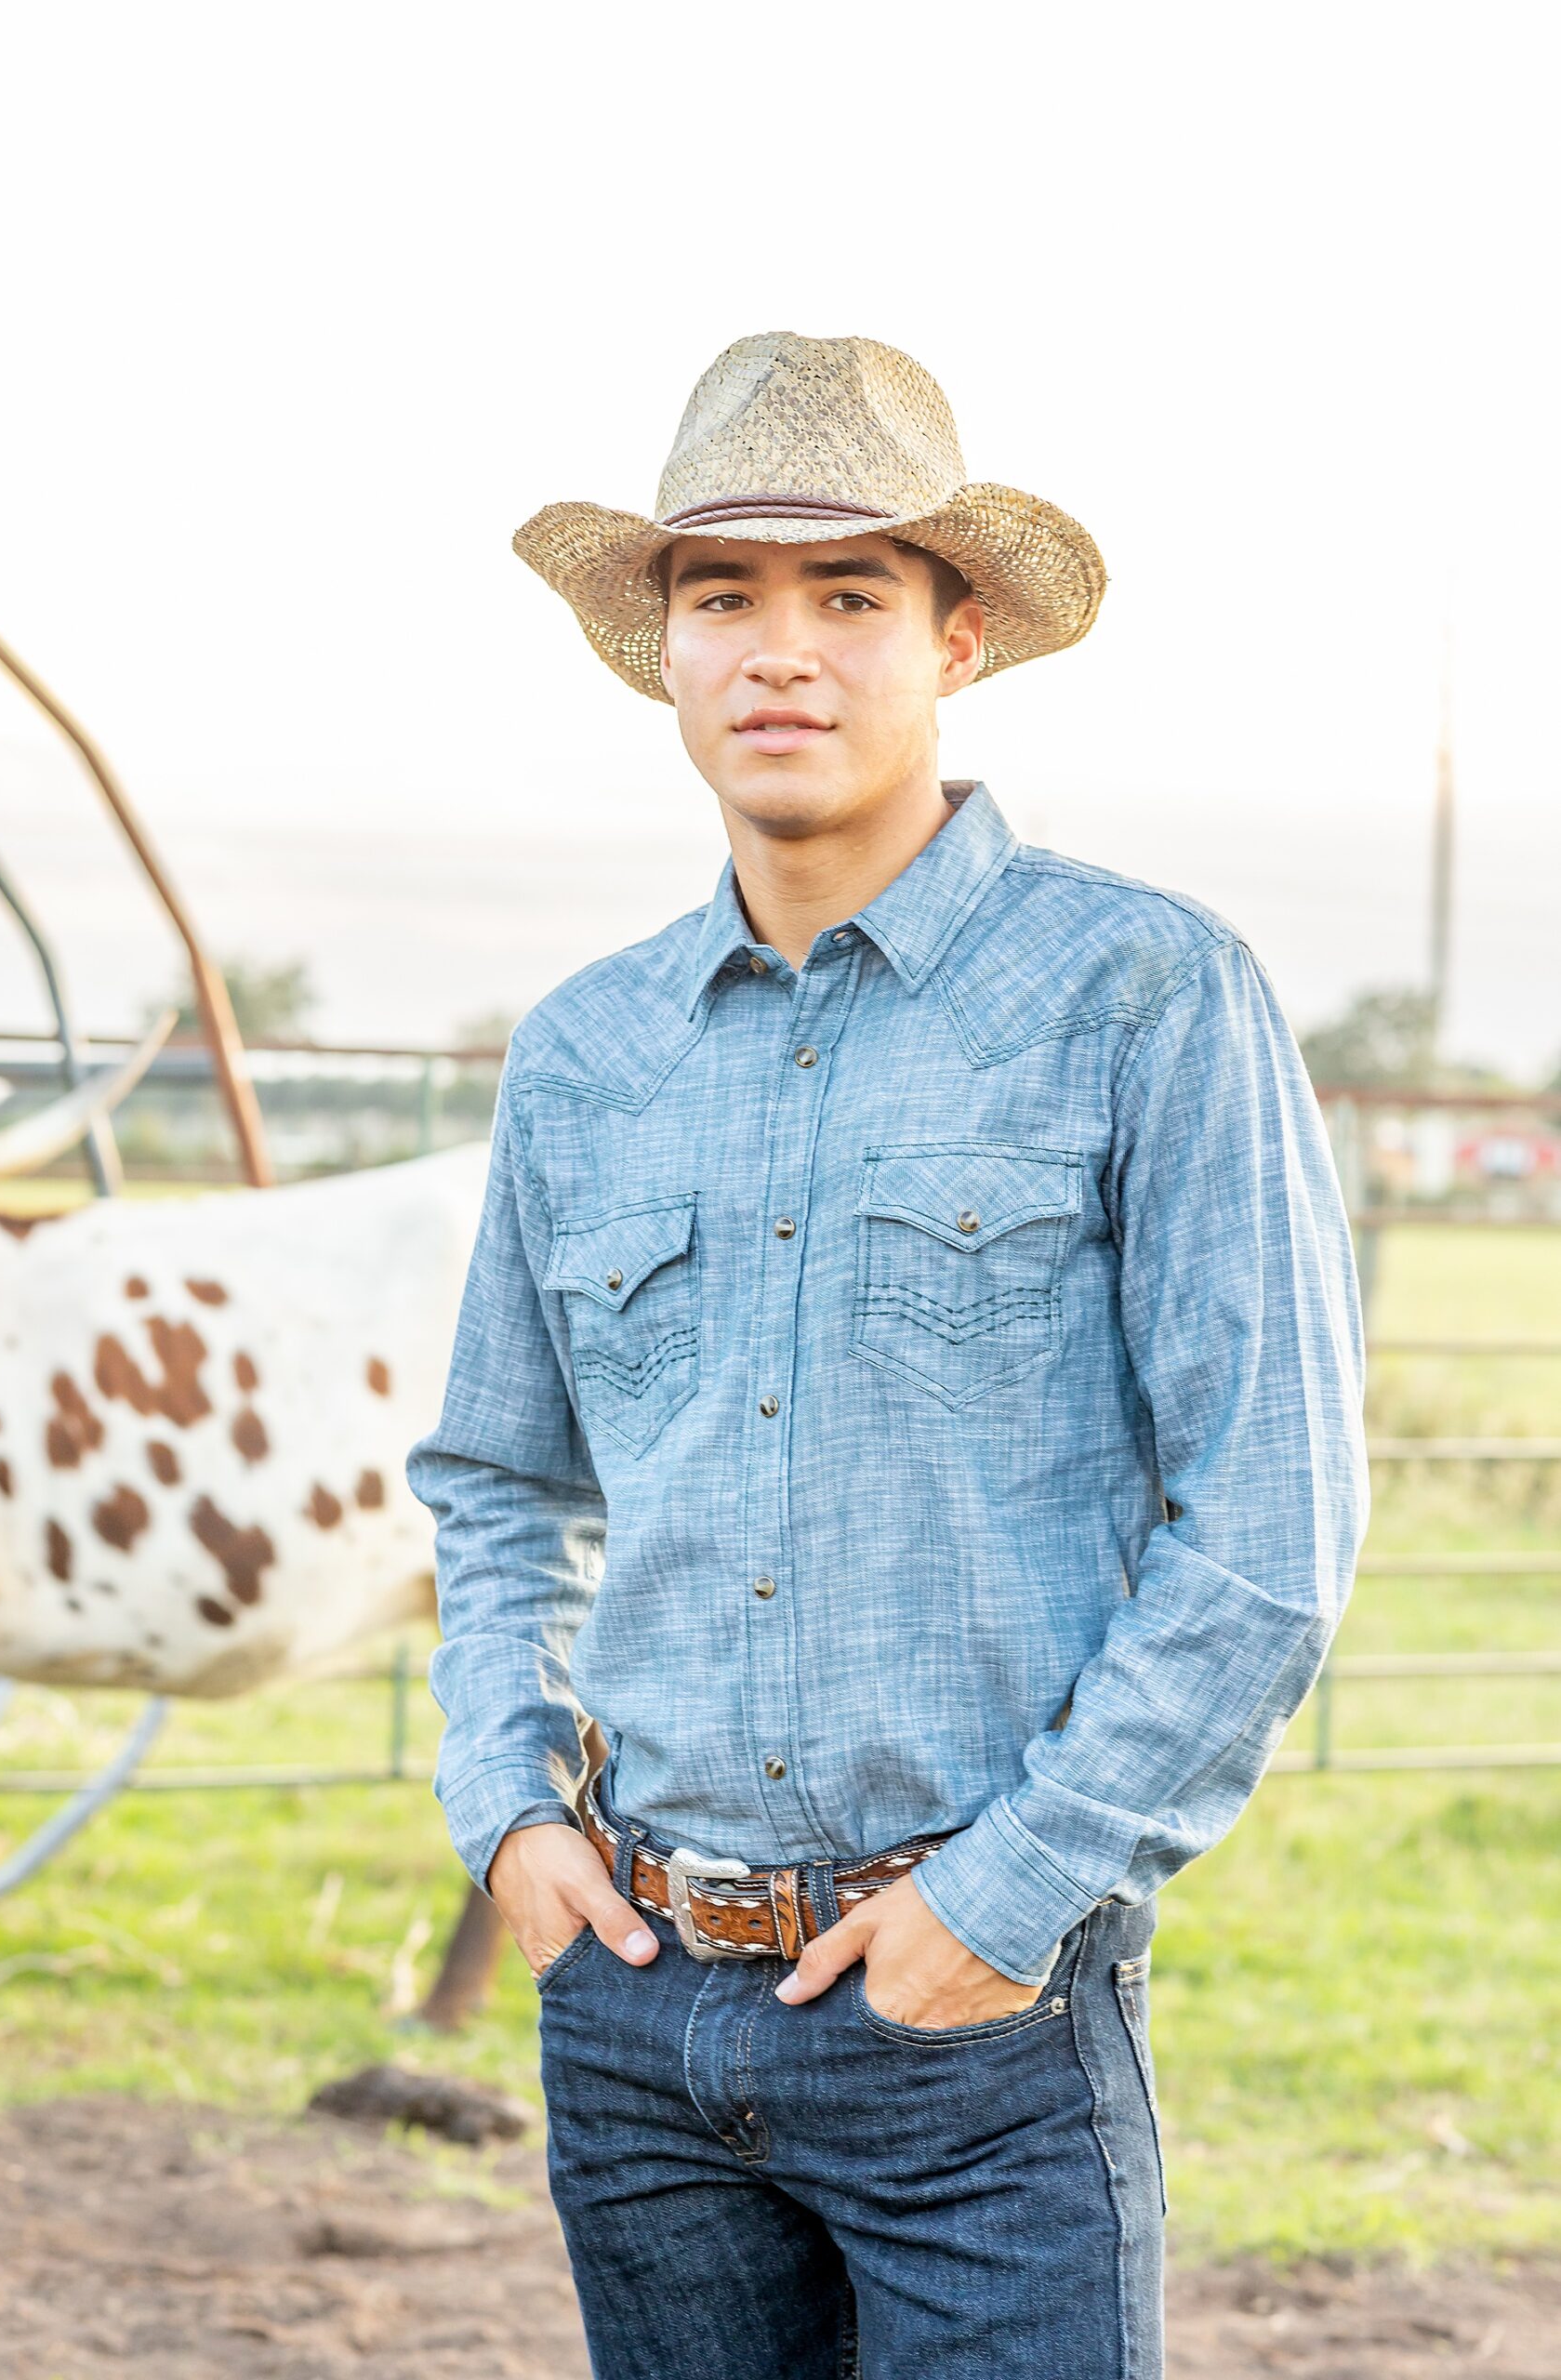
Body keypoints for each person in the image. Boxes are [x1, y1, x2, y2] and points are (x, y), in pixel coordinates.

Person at [405, 331, 1369, 2380]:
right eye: (721, 596)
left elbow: (1268, 1522)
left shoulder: (1142, 994)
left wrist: (1005, 1897)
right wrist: (509, 1806)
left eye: (848, 595)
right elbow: (496, 1477)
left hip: (976, 2013)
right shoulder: (586, 1051)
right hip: (641, 2003)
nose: (781, 652)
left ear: (958, 640)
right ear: (659, 652)